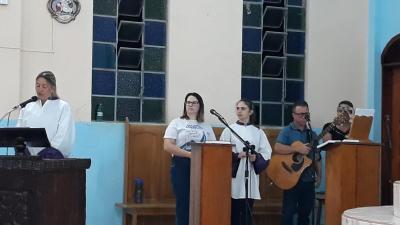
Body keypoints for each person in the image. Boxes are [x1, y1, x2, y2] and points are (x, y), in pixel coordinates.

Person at [163, 92, 216, 225]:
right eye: (188, 102)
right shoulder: (177, 122)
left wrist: (198, 157)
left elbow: (214, 148)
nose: (190, 105)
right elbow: (168, 146)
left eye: (194, 102)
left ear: (200, 106)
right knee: (184, 201)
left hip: (202, 166)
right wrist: (189, 155)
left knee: (202, 201)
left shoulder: (206, 127)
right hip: (181, 164)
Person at [219, 99, 272, 225]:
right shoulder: (229, 129)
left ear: (251, 111)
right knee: (234, 212)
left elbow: (266, 152)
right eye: (237, 108)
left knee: (247, 212)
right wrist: (237, 155)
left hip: (250, 174)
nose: (239, 111)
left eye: (243, 108)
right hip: (235, 175)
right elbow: (221, 152)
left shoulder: (258, 131)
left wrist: (256, 158)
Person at [274, 100, 321, 225]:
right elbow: (277, 147)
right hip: (290, 178)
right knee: (288, 213)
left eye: (306, 114)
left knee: (305, 213)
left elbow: (316, 158)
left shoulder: (313, 134)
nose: (303, 117)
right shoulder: (287, 131)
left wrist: (319, 176)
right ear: (293, 115)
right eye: (300, 114)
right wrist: (295, 148)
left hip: (308, 179)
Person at [16, 71, 75, 158]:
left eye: (44, 86)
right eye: (38, 85)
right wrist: (22, 148)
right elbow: (20, 131)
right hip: (29, 158)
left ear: (52, 88)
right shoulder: (28, 107)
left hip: (52, 158)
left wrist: (49, 152)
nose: (40, 89)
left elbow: (64, 135)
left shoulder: (63, 107)